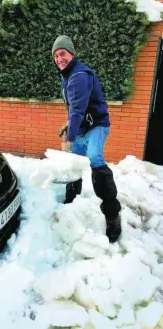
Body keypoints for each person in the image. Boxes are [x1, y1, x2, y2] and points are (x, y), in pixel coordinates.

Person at [52, 35, 122, 243]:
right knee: (73, 165)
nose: (59, 58)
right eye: (56, 55)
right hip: (83, 128)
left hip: (97, 127)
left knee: (94, 159)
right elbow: (74, 108)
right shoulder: (67, 75)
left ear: (72, 53)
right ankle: (71, 202)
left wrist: (68, 140)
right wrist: (69, 125)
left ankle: (112, 214)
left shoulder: (79, 75)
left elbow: (78, 110)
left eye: (62, 53)